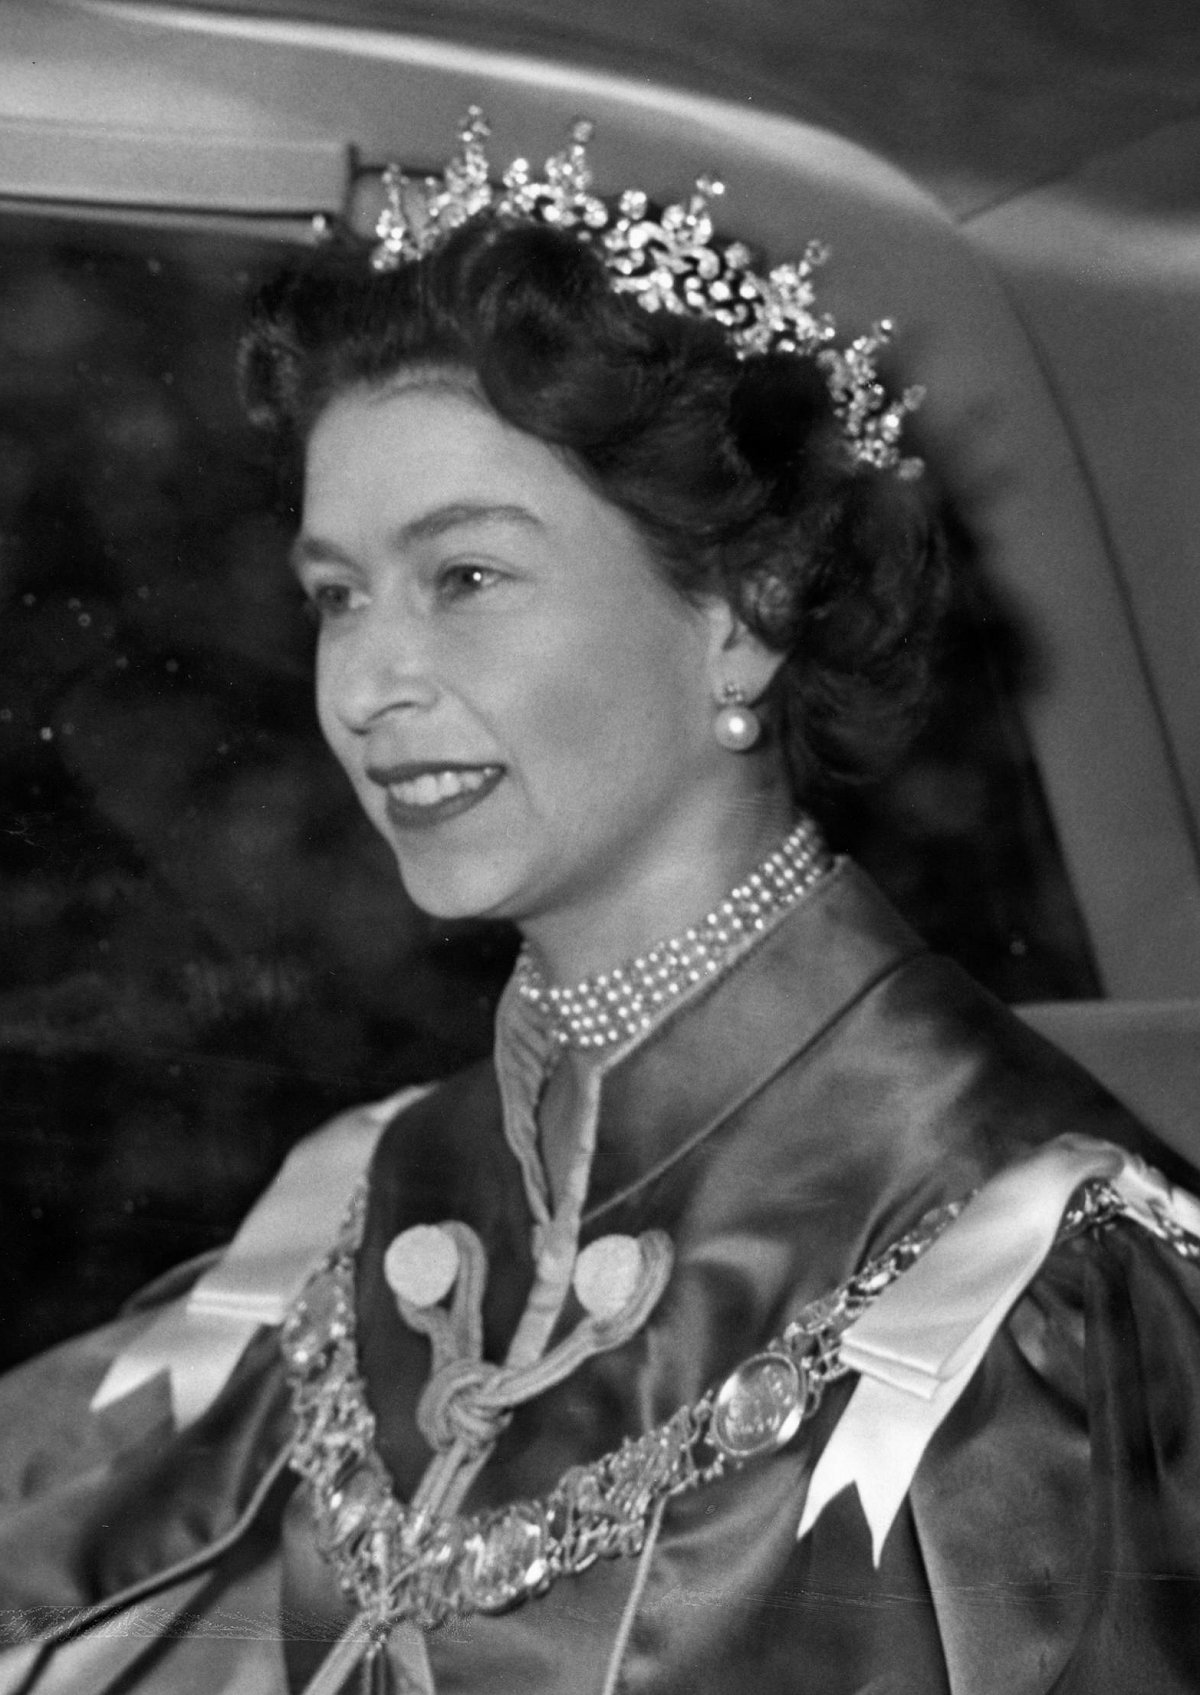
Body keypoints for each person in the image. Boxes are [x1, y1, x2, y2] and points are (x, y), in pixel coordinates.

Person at [1, 112, 1199, 1695]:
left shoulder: (1017, 1280)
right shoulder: (373, 1194)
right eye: (336, 597)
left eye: (467, 579)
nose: (365, 683)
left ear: (745, 612)